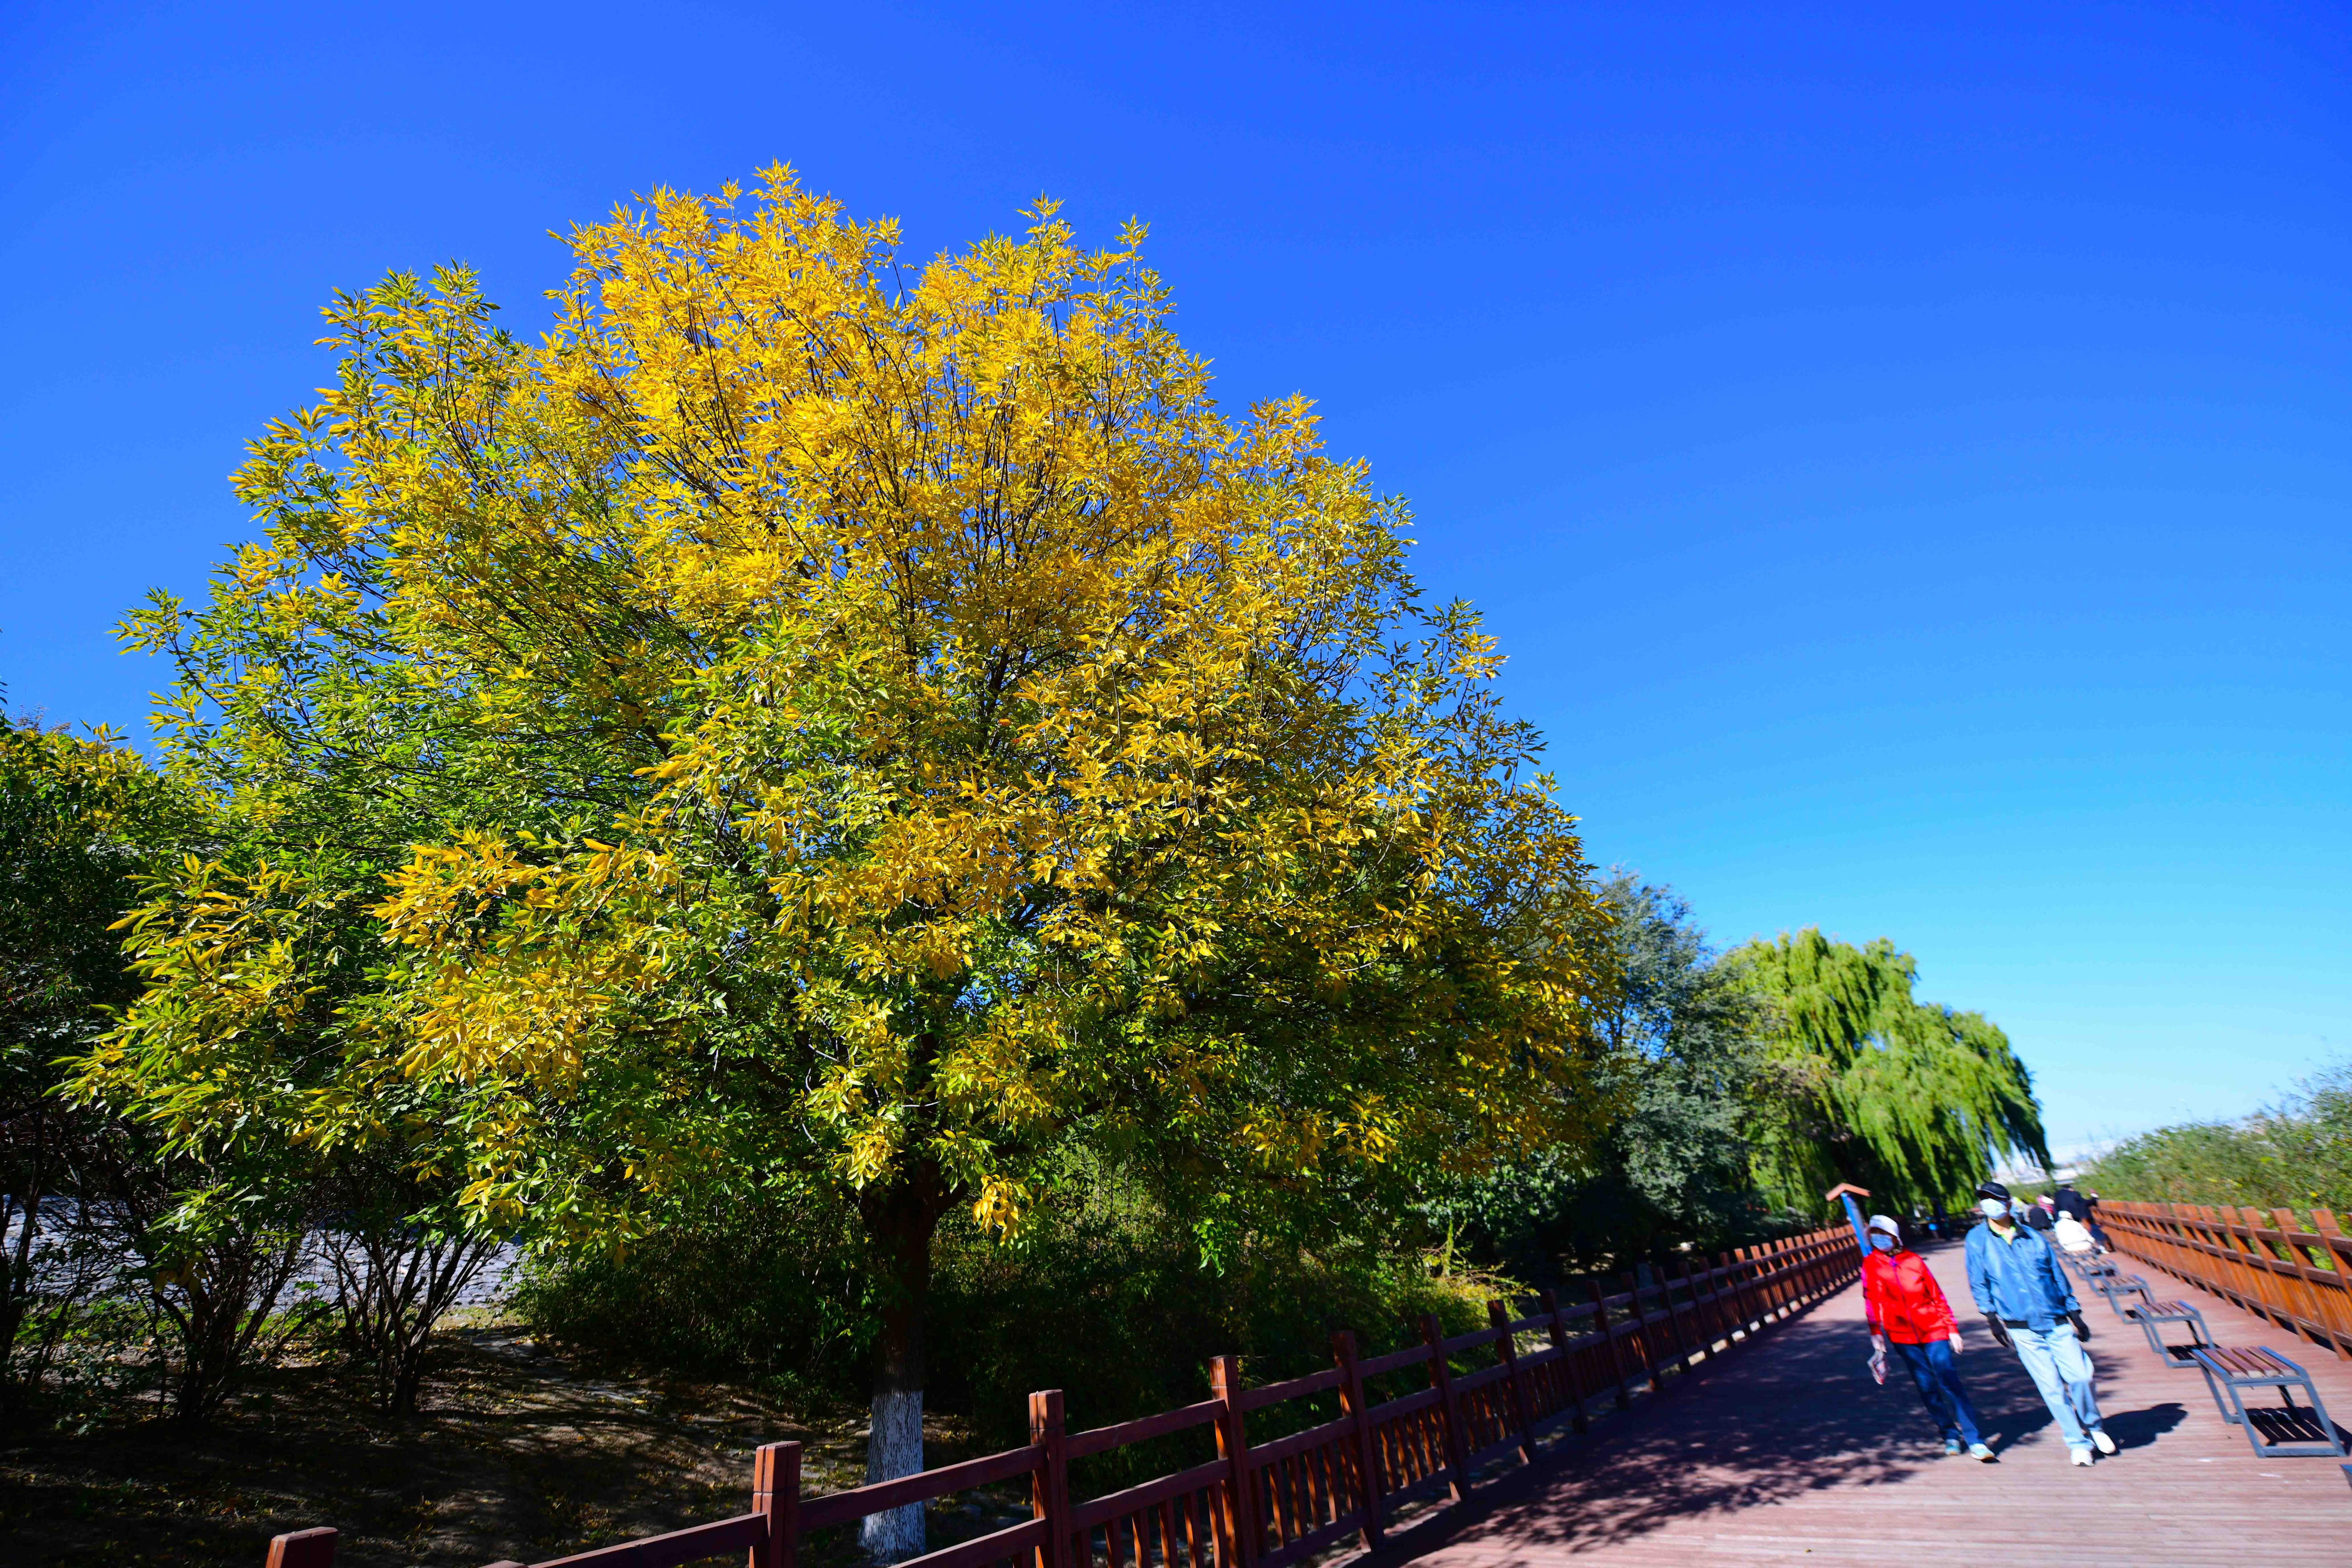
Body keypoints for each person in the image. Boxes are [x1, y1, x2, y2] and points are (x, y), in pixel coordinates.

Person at [1966, 1179, 2115, 1467]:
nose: (1989, 1204)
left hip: (2055, 1319)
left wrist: (2074, 1311)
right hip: (2021, 1326)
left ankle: (2094, 1427)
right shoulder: (1977, 1240)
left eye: (1994, 1198)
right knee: (2052, 1388)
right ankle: (2078, 1442)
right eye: (1984, 1199)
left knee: (2081, 1376)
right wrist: (1991, 1316)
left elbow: (2057, 1274)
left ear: (2008, 1203)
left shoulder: (2033, 1237)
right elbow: (1978, 1280)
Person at [1862, 1213, 1994, 1460]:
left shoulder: (1913, 1260)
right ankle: (1950, 1434)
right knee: (1927, 1386)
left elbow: (1937, 1295)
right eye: (1874, 1234)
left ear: (1894, 1237)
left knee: (1948, 1378)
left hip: (1933, 1329)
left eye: (1883, 1233)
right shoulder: (1870, 1264)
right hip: (1902, 1335)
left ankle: (1975, 1439)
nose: (1878, 1238)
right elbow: (1872, 1300)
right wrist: (1876, 1332)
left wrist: (1952, 1328)